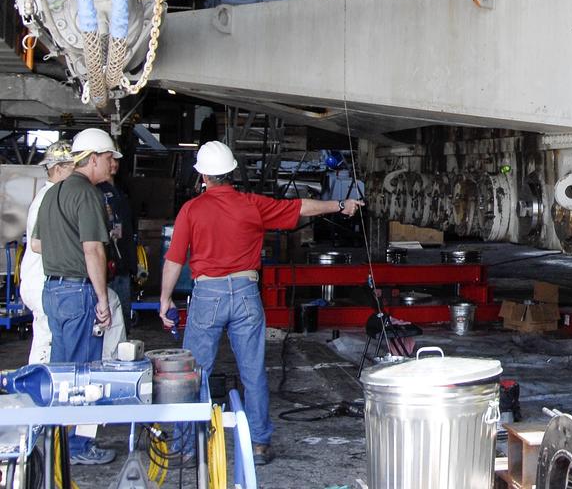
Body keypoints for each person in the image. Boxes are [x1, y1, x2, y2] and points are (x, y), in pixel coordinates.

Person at [159, 141, 364, 466]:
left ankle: (187, 447)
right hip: (245, 293)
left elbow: (174, 259)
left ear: (203, 177)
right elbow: (301, 208)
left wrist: (164, 298)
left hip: (208, 294)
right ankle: (259, 445)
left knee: (196, 372)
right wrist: (340, 204)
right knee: (253, 371)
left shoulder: (191, 210)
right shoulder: (251, 204)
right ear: (231, 173)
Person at [31, 128, 121, 466]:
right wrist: (101, 299)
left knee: (62, 370)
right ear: (93, 158)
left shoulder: (53, 192)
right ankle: (80, 446)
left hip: (53, 290)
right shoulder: (86, 194)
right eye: (110, 158)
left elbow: (38, 244)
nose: (113, 165)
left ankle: (56, 437)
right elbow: (93, 249)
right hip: (77, 290)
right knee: (85, 372)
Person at [20, 140, 77, 364]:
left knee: (50, 337)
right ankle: (37, 386)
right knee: (47, 339)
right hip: (41, 282)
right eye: (73, 167)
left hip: (45, 282)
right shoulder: (47, 198)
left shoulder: (56, 195)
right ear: (58, 168)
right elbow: (37, 243)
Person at [98, 155, 136, 332]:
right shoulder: (95, 190)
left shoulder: (121, 189)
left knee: (123, 314)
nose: (113, 165)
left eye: (117, 161)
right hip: (106, 262)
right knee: (107, 317)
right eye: (110, 160)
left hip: (123, 261)